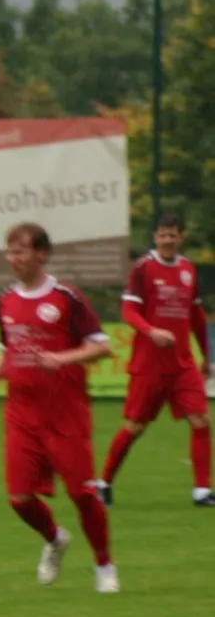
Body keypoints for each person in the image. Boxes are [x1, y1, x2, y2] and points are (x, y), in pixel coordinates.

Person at [0, 223, 119, 593]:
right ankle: (55, 539)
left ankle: (104, 565)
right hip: (22, 414)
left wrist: (64, 358)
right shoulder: (5, 299)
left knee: (83, 495)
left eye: (20, 252)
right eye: (9, 252)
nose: (14, 259)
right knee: (19, 498)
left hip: (65, 414)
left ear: (42, 254)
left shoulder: (66, 297)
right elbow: (9, 350)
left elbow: (103, 347)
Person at [94, 213, 213, 506]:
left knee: (201, 420)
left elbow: (196, 317)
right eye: (163, 235)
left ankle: (202, 490)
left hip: (182, 363)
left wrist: (206, 356)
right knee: (136, 426)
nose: (168, 240)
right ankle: (104, 482)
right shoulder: (142, 269)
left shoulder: (188, 269)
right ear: (155, 237)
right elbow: (129, 312)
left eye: (173, 235)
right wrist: (151, 331)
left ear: (181, 237)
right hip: (150, 365)